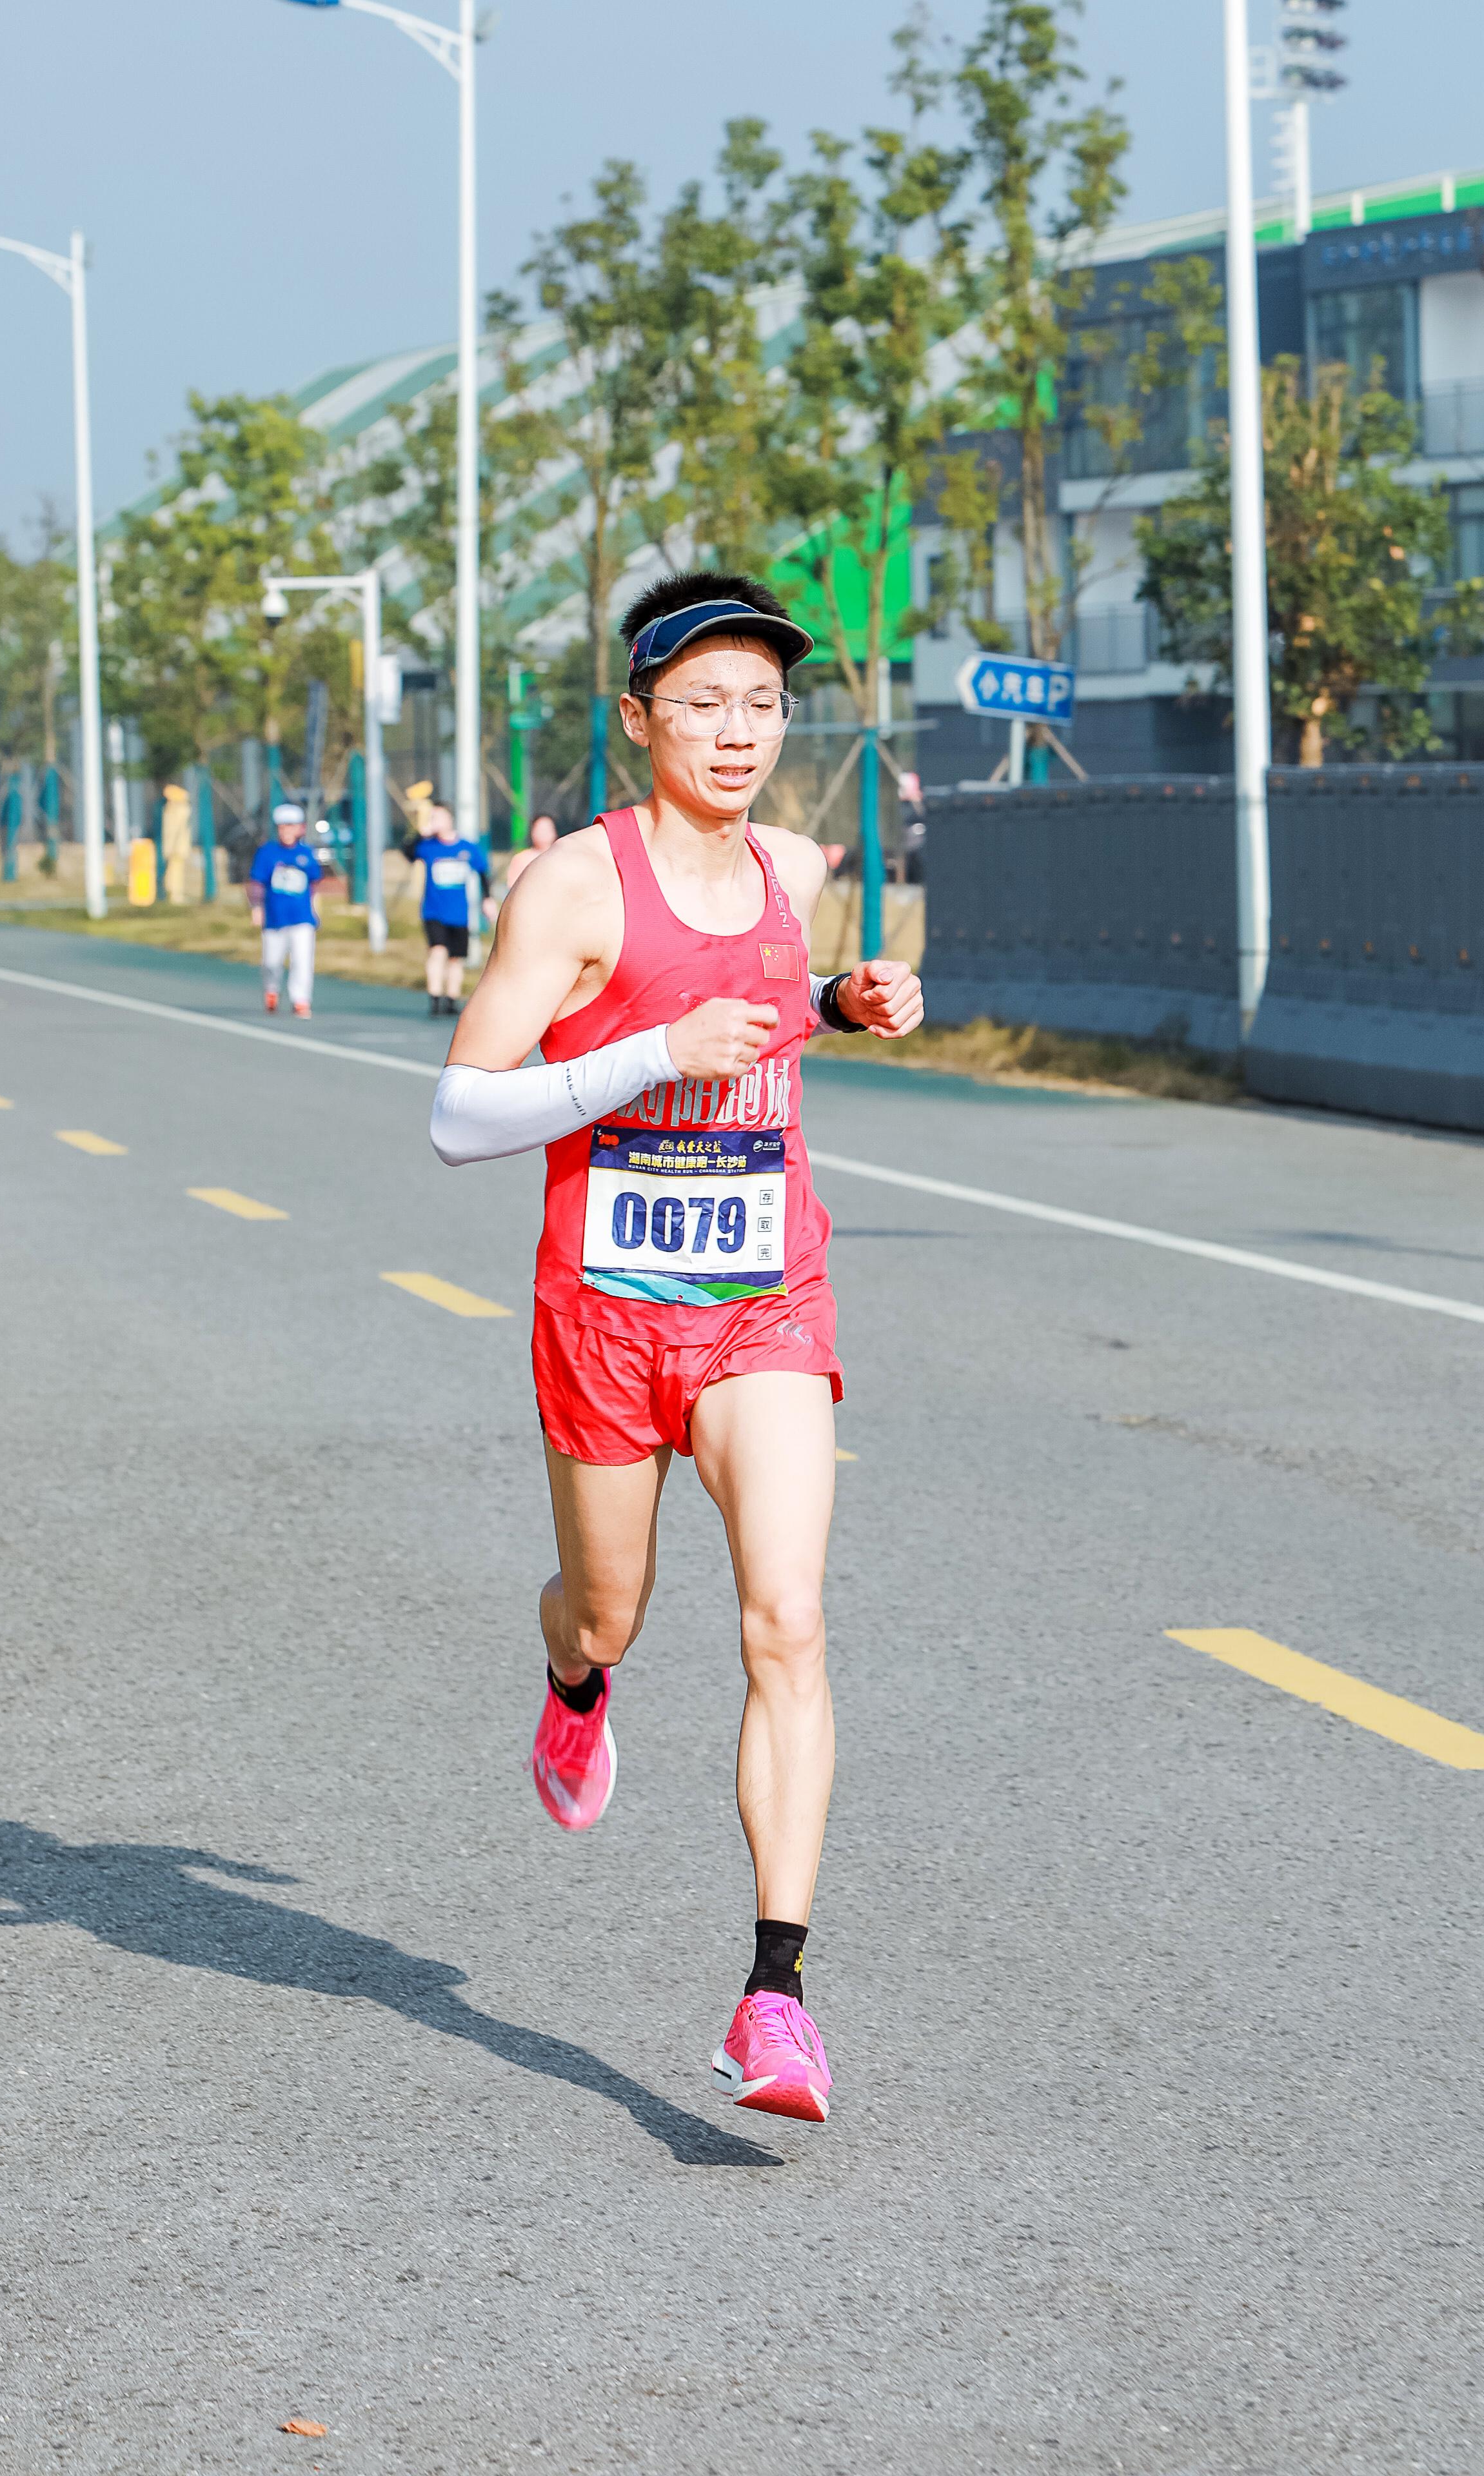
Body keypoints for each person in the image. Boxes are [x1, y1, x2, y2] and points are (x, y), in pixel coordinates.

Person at [428, 568, 923, 2124]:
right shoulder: (574, 888)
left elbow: (762, 1011)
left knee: (790, 1619)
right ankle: (573, 1677)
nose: (736, 730)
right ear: (638, 718)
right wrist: (647, 1052)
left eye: (762, 702)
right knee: (612, 1604)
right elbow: (460, 1114)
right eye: (702, 701)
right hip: (606, 1313)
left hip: (766, 1298)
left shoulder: (791, 861)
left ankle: (778, 1996)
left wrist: (839, 999)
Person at [407, 803, 490, 1016]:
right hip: (434, 911)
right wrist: (420, 835)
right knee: (437, 951)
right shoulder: (428, 846)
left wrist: (487, 899)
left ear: (450, 819)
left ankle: (452, 999)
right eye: (433, 818)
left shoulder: (466, 848)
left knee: (455, 958)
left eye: (439, 817)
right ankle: (435, 998)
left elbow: (483, 873)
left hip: (459, 913)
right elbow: (408, 853)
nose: (436, 822)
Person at [247, 800, 327, 1016]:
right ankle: (272, 990)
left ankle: (301, 1000)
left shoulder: (306, 854)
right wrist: (257, 908)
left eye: (292, 826)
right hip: (275, 918)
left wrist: (315, 909)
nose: (287, 831)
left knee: (302, 961)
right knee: (272, 962)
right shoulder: (268, 853)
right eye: (283, 827)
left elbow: (314, 885)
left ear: (301, 829)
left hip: (301, 917)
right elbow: (257, 883)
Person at [501, 811, 560, 896]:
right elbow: (513, 887)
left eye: (547, 829)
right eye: (540, 829)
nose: (543, 833)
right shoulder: (521, 859)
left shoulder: (561, 858)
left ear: (554, 832)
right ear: (532, 832)